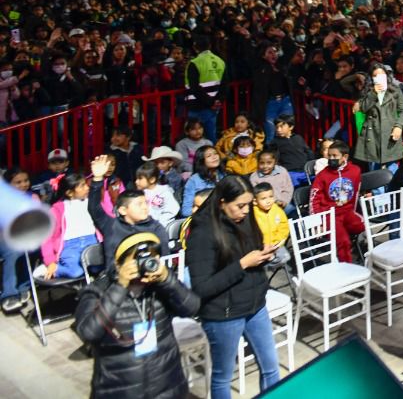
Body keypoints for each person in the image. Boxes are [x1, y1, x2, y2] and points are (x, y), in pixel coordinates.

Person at [72, 231, 202, 399]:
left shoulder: (159, 287)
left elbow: (192, 307)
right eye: (136, 260)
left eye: (151, 259)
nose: (143, 265)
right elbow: (88, 333)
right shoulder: (97, 291)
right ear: (118, 265)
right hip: (120, 390)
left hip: (167, 387)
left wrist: (167, 279)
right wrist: (120, 287)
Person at [185, 176, 281, 399]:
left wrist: (264, 254)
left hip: (255, 304)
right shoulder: (202, 233)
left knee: (271, 367)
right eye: (240, 206)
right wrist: (243, 264)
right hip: (223, 314)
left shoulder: (244, 218)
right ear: (221, 203)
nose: (246, 210)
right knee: (222, 377)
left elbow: (251, 251)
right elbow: (201, 288)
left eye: (249, 204)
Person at [88, 156, 171, 264]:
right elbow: (94, 208)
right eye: (139, 204)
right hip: (118, 279)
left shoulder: (156, 227)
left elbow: (164, 259)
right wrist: (97, 178)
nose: (145, 207)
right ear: (123, 210)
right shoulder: (111, 226)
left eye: (145, 203)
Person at [309, 140, 364, 263]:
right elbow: (314, 199)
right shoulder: (322, 175)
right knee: (343, 241)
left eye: (335, 156)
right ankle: (347, 267)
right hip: (329, 214)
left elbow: (355, 193)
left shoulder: (355, 171)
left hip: (347, 210)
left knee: (362, 225)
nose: (331, 159)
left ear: (345, 157)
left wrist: (353, 211)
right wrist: (317, 222)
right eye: (329, 156)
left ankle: (366, 254)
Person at [41, 172, 100, 280]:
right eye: (82, 186)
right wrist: (50, 261)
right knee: (76, 272)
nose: (87, 187)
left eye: (86, 184)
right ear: (69, 193)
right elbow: (47, 237)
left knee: (99, 269)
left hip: (92, 241)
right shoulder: (57, 209)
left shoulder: (91, 202)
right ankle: (52, 270)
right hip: (70, 246)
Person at [354, 65, 403, 170]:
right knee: (375, 171)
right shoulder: (367, 91)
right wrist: (373, 93)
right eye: (375, 76)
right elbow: (363, 108)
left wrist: (399, 126)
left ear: (386, 76)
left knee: (392, 170)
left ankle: (392, 186)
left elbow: (402, 110)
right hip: (372, 134)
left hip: (390, 132)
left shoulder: (395, 90)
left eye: (382, 75)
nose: (379, 78)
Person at [1, 167, 36, 312]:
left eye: (26, 181)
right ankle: (9, 294)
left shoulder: (31, 196)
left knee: (35, 248)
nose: (23, 184)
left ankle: (24, 286)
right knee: (13, 251)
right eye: (18, 182)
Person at [184, 35, 225, 143]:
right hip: (214, 106)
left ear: (195, 47)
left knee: (194, 139)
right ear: (210, 46)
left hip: (198, 106)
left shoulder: (194, 63)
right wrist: (217, 101)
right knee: (211, 136)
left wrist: (210, 102)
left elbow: (194, 87)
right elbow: (225, 85)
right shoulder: (220, 61)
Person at [252, 43, 293, 143]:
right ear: (263, 56)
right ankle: (271, 155)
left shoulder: (282, 66)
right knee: (271, 132)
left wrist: (284, 36)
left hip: (285, 101)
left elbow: (291, 50)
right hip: (270, 103)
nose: (274, 54)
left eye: (275, 52)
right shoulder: (260, 69)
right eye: (270, 52)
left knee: (286, 130)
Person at [251, 183, 290, 267]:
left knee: (285, 257)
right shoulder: (253, 214)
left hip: (276, 244)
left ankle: (270, 264)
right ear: (255, 201)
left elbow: (284, 226)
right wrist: (262, 245)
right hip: (260, 247)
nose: (268, 201)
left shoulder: (277, 210)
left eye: (271, 197)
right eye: (263, 198)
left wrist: (278, 241)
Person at [134, 161, 180, 227]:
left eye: (140, 179)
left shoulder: (164, 192)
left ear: (152, 179)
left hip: (163, 226)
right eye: (136, 178)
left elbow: (173, 208)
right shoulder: (140, 194)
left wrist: (160, 222)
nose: (136, 181)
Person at [248, 147, 295, 211]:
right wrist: (272, 204)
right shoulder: (254, 178)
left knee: (293, 211)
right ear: (257, 163)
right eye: (262, 163)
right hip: (265, 208)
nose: (265, 166)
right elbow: (256, 196)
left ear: (275, 162)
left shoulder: (282, 171)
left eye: (269, 163)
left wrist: (284, 201)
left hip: (284, 204)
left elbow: (288, 188)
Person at [183, 146, 225, 217]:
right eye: (209, 156)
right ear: (201, 161)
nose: (214, 157)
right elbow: (186, 211)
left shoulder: (225, 175)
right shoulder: (193, 180)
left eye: (215, 154)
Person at [272, 115, 313, 181]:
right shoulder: (274, 142)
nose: (278, 129)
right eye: (277, 127)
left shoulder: (298, 138)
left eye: (281, 127)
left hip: (305, 170)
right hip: (290, 172)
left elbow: (308, 152)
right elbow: (275, 159)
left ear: (291, 127)